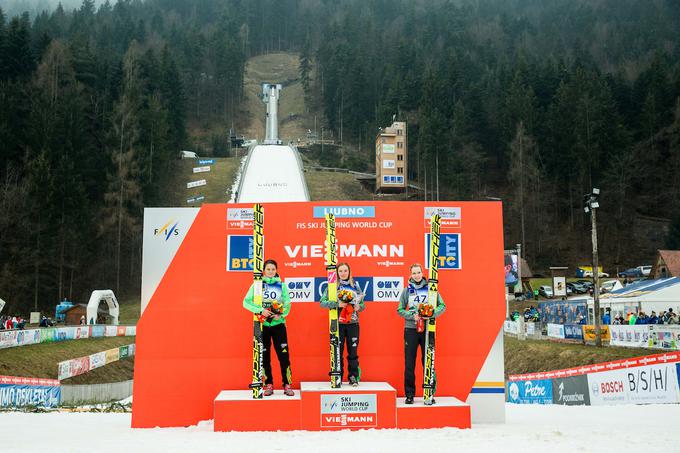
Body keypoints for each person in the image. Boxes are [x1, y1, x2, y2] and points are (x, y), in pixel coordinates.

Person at [242, 259, 294, 396]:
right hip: (263, 325)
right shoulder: (257, 285)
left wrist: (280, 315)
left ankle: (287, 384)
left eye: (273, 269)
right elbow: (246, 302)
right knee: (264, 356)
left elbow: (287, 303)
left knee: (284, 356)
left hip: (278, 325)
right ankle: (268, 384)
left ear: (276, 270)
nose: (271, 271)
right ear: (264, 271)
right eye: (268, 269)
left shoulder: (281, 285)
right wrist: (260, 311)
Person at [397, 263, 446, 405]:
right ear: (410, 274)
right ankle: (410, 394)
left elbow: (443, 306)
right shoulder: (406, 290)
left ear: (422, 273)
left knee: (428, 361)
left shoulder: (431, 289)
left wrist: (431, 314)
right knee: (409, 364)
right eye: (414, 273)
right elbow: (399, 310)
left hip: (427, 329)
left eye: (418, 272)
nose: (417, 275)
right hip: (411, 330)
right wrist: (412, 316)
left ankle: (429, 393)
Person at [320, 262, 365, 386]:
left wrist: (358, 307)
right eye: (340, 271)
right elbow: (322, 303)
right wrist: (337, 304)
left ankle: (353, 377)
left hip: (353, 323)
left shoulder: (355, 285)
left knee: (353, 352)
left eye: (345, 271)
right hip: (338, 324)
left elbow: (363, 306)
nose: (343, 273)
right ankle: (337, 375)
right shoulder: (332, 286)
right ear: (337, 273)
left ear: (349, 272)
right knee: (337, 350)